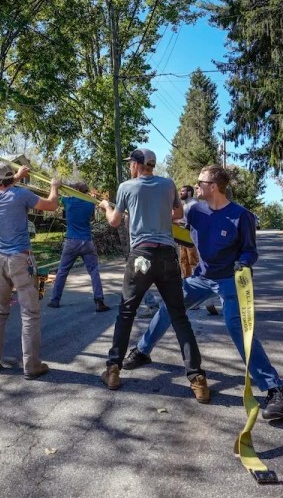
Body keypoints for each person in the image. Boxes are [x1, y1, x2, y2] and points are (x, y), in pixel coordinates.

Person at [122, 164, 283, 420]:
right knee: (169, 307)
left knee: (238, 328)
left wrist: (245, 262)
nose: (196, 186)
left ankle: (277, 390)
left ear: (213, 186)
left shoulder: (241, 216)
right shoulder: (194, 209)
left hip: (230, 280)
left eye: (200, 182)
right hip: (201, 278)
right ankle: (141, 350)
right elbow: (169, 220)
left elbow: (250, 250)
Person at [97, 148, 210, 403]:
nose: (129, 168)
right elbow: (178, 215)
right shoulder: (169, 185)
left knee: (126, 312)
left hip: (141, 256)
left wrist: (106, 206)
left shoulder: (126, 187)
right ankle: (198, 380)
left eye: (130, 164)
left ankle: (113, 369)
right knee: (179, 316)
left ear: (137, 165)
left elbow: (115, 221)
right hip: (168, 255)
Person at [0, 162, 61, 380]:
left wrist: (17, 175)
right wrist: (54, 186)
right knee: (29, 313)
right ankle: (32, 365)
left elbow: (5, 187)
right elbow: (51, 205)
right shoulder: (21, 195)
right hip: (20, 259)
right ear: (11, 179)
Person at [47, 182, 110, 312]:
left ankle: (55, 300)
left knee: (62, 271)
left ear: (74, 190)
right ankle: (99, 301)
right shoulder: (90, 203)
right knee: (94, 271)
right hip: (87, 241)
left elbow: (54, 198)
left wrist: (56, 185)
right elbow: (91, 218)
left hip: (71, 241)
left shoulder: (67, 201)